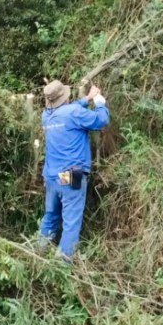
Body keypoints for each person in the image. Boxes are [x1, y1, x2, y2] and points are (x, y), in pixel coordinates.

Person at [39, 80, 110, 260]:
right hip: (71, 175)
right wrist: (99, 102)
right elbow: (101, 120)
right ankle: (63, 263)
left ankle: (37, 251)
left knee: (51, 215)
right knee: (71, 221)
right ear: (64, 96)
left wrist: (87, 98)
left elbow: (68, 112)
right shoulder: (73, 113)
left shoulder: (46, 116)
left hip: (51, 177)